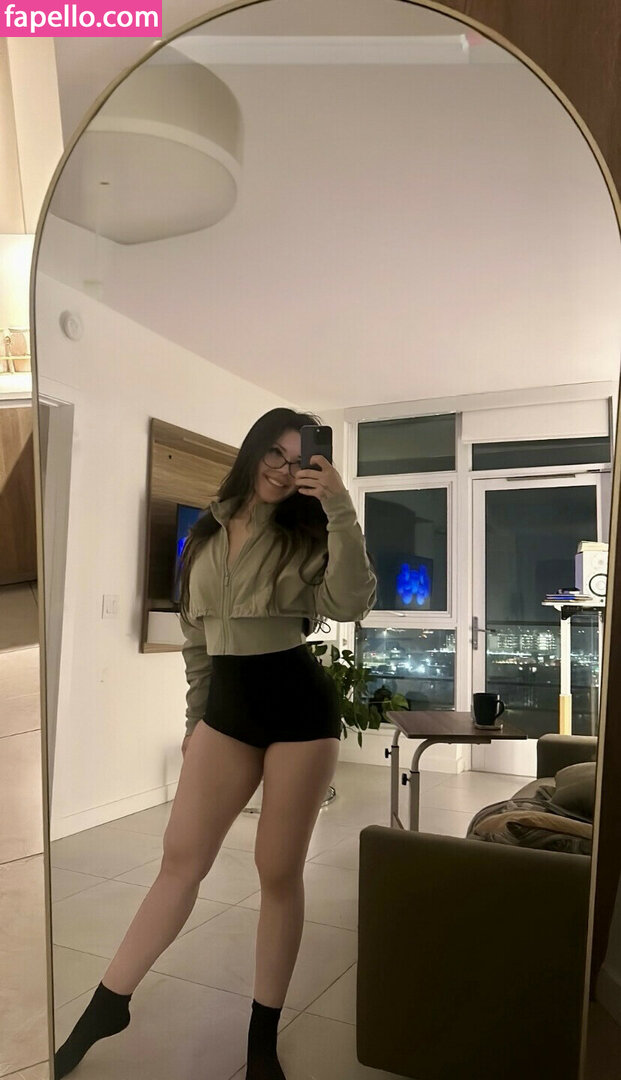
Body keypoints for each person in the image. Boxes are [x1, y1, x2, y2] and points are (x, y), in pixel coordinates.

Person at [54, 407, 377, 1080]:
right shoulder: (203, 534)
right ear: (253, 451)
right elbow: (196, 644)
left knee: (276, 872)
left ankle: (261, 1040)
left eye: (298, 460)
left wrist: (340, 508)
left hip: (298, 711)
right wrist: (194, 721)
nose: (283, 469)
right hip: (226, 712)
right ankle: (106, 1007)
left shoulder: (309, 533)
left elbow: (350, 603)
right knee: (179, 861)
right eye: (274, 453)